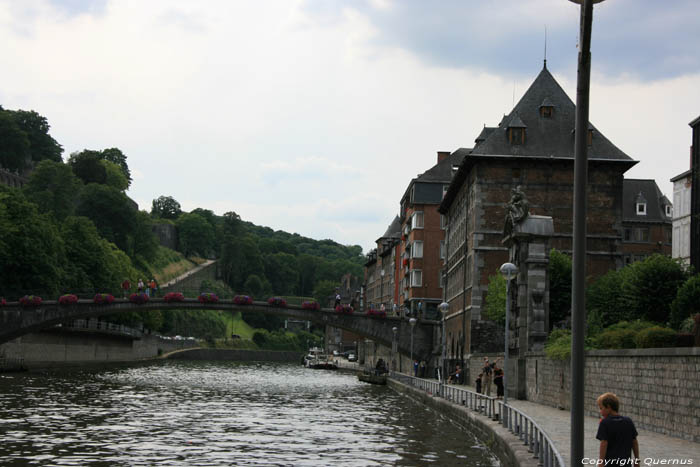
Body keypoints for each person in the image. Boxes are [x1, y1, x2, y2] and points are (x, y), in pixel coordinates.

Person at [596, 392, 639, 466]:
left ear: (608, 407)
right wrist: (637, 460)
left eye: (601, 408)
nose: (600, 411)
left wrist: (601, 462)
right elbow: (634, 442)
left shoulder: (605, 423)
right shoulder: (628, 421)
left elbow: (604, 443)